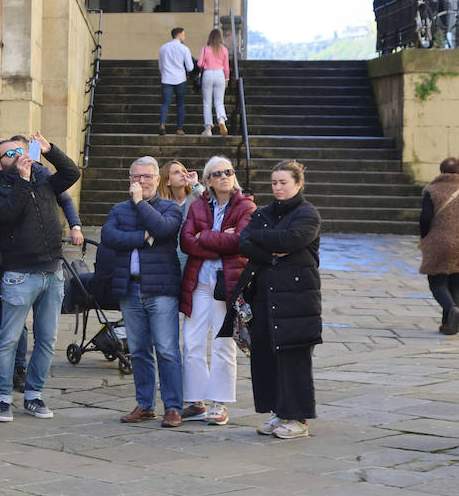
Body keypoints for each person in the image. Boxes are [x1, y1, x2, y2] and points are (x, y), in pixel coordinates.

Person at [0, 133, 80, 423]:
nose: (17, 154)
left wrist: (51, 150)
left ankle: (34, 395)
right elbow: (8, 214)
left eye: (19, 150)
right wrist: (24, 181)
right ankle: (2, 398)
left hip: (52, 272)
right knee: (9, 339)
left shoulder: (43, 178)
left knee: (47, 339)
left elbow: (71, 173)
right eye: (9, 154)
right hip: (19, 274)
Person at [238, 160, 321, 440]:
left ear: (298, 184)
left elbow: (292, 239)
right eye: (274, 183)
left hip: (296, 297)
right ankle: (278, 411)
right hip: (264, 295)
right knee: (266, 356)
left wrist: (265, 242)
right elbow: (244, 241)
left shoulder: (308, 213)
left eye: (283, 182)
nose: (278, 188)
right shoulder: (262, 213)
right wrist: (271, 253)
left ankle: (298, 417)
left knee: (293, 356)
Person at [103, 156, 185, 427]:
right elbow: (109, 238)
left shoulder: (170, 208)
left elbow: (162, 229)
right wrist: (141, 238)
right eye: (136, 177)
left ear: (158, 180)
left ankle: (173, 407)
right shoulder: (117, 210)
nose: (141, 182)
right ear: (129, 180)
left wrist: (139, 204)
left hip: (161, 289)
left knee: (167, 349)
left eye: (147, 177)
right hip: (130, 288)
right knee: (138, 350)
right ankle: (145, 404)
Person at [178, 157, 254, 425]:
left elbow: (241, 241)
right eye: (218, 173)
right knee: (192, 342)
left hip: (227, 284)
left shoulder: (246, 205)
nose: (225, 176)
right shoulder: (198, 205)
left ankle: (219, 403)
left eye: (229, 172)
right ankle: (195, 400)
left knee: (223, 344)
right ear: (208, 180)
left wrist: (206, 236)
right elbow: (186, 241)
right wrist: (221, 237)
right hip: (198, 283)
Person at [420, 157, 459, 334]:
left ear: (442, 171)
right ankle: (449, 324)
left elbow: (425, 218)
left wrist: (425, 237)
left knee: (437, 281)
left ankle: (452, 310)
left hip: (439, 242)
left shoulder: (432, 189)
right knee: (455, 283)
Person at [157, 160, 203, 273]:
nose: (183, 174)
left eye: (184, 171)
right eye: (176, 172)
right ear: (167, 181)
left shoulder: (196, 196)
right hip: (170, 258)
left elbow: (211, 202)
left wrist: (195, 184)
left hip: (194, 256)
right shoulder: (161, 203)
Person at [157, 27, 195, 135]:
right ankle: (179, 128)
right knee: (180, 104)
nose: (184, 37)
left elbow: (160, 66)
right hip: (180, 79)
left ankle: (162, 124)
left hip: (166, 79)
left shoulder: (163, 48)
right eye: (183, 34)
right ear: (179, 35)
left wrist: (164, 73)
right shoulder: (184, 49)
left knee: (165, 103)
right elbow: (190, 68)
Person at [197, 29, 230, 136]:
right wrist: (227, 79)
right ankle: (221, 120)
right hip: (220, 74)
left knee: (207, 102)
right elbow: (226, 67)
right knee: (219, 102)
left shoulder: (205, 49)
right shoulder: (224, 50)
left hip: (208, 74)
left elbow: (199, 63)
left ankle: (208, 128)